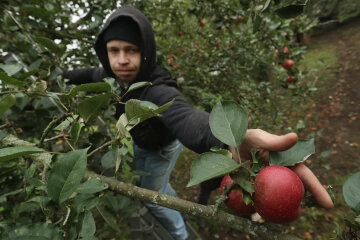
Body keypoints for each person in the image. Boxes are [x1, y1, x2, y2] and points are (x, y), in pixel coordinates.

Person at [63, 5, 333, 240]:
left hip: (163, 148)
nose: (122, 60)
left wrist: (230, 138)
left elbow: (185, 117)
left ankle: (180, 235)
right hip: (140, 144)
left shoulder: (157, 88)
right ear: (105, 52)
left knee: (155, 197)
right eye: (114, 50)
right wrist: (52, 77)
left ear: (145, 51)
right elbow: (85, 73)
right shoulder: (108, 77)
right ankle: (164, 187)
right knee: (152, 180)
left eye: (131, 50)